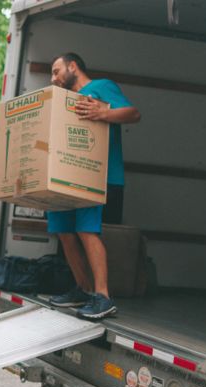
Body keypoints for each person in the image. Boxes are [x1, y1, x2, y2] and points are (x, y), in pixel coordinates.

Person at [47, 53, 141, 319]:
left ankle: (103, 296)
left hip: (97, 175)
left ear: (73, 66)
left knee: (86, 230)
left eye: (56, 71)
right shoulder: (63, 101)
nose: (53, 78)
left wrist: (104, 112)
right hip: (66, 175)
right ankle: (83, 289)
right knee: (63, 231)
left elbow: (134, 114)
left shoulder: (101, 86)